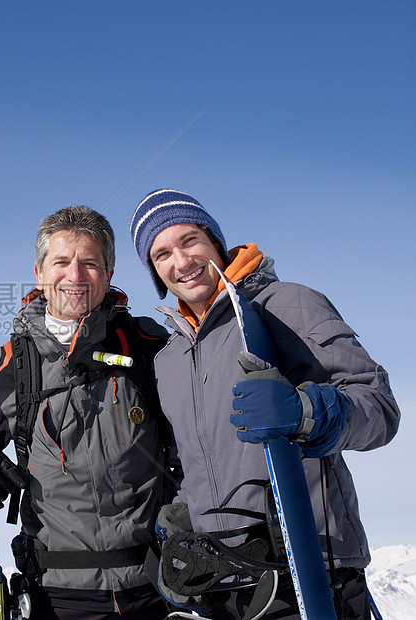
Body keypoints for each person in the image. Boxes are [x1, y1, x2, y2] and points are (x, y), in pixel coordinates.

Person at [129, 189, 400, 619]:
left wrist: (305, 413)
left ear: (215, 241)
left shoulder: (287, 304)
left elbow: (380, 409)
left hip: (309, 571)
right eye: (162, 255)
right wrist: (182, 515)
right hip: (226, 584)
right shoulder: (170, 359)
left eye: (190, 241)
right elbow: (198, 461)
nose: (181, 262)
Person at [0, 206, 173, 619]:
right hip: (57, 597)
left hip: (159, 587)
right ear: (40, 272)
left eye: (90, 263)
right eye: (61, 262)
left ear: (109, 272)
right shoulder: (16, 362)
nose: (75, 276)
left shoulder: (147, 346)